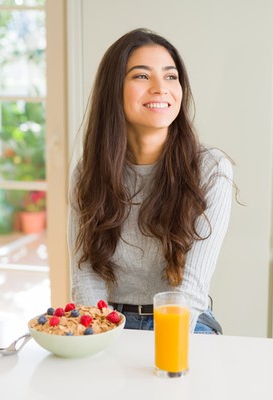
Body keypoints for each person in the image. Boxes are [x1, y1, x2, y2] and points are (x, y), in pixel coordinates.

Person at [68, 28, 233, 334]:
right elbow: (85, 274)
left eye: (171, 77)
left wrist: (163, 348)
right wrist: (98, 338)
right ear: (114, 89)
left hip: (183, 319)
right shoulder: (87, 172)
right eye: (142, 76)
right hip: (110, 321)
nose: (161, 88)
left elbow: (192, 288)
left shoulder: (211, 168)